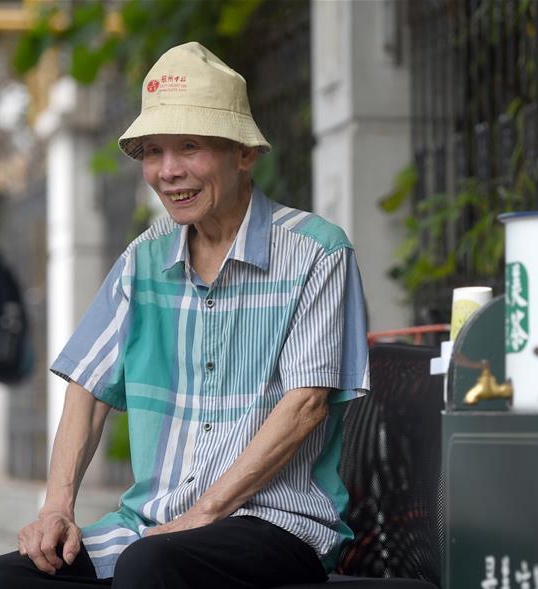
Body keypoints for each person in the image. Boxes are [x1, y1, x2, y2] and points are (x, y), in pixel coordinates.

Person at [0, 41, 369, 588]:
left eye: (190, 147)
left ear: (244, 152)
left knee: (151, 566)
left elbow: (306, 405)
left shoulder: (317, 252)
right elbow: (88, 388)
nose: (168, 171)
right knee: (16, 576)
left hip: (275, 526)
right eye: (153, 151)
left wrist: (200, 516)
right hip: (149, 527)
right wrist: (57, 508)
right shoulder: (143, 260)